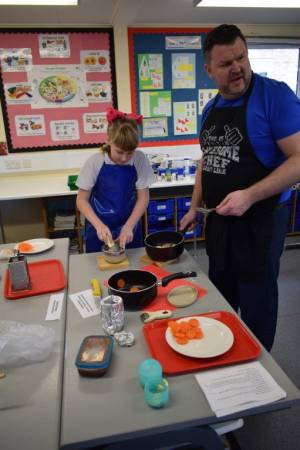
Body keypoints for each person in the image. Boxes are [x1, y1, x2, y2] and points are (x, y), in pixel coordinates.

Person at [180, 24, 300, 351]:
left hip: (260, 221)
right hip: (220, 222)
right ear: (208, 70)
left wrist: (249, 195)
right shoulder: (210, 110)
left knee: (257, 299)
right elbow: (209, 160)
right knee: (222, 294)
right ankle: (223, 356)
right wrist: (194, 207)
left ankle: (259, 374)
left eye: (241, 58)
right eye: (225, 63)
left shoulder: (274, 96)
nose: (237, 68)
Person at [76, 107, 155, 253]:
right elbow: (81, 200)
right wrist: (99, 225)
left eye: (130, 152)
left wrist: (129, 226)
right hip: (98, 226)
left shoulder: (139, 159)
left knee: (133, 267)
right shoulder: (95, 162)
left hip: (129, 224)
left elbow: (143, 198)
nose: (124, 158)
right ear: (108, 141)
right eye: (119, 152)